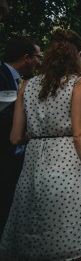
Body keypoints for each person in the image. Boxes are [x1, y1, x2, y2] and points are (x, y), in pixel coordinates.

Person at [0, 30, 81, 260]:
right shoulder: (80, 83)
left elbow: (15, 137)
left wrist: (42, 135)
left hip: (31, 170)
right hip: (67, 168)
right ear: (78, 55)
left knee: (31, 245)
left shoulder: (26, 85)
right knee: (68, 243)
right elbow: (80, 135)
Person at [0, 36, 40, 237]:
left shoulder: (20, 82)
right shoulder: (1, 75)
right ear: (27, 57)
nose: (39, 62)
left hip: (13, 160)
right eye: (37, 57)